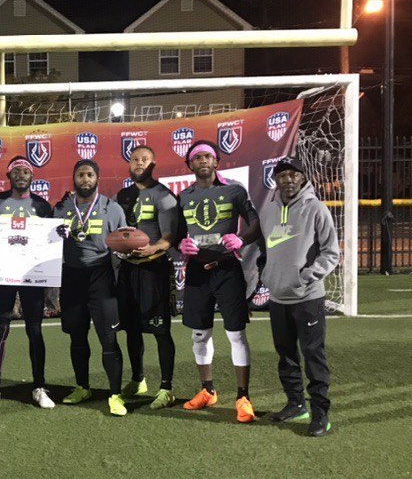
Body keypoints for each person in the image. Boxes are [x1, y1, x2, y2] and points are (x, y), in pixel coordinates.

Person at [176, 140, 260, 423]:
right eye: (197, 157)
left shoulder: (235, 190)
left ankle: (243, 397)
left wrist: (241, 239)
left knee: (236, 334)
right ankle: (207, 390)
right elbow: (176, 234)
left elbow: (255, 223)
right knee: (199, 335)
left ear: (216, 162)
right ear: (190, 164)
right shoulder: (183, 197)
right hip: (197, 272)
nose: (202, 160)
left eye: (207, 156)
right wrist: (180, 245)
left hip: (227, 270)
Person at [257, 157, 339, 437]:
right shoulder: (268, 211)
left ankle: (320, 414)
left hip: (308, 298)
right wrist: (268, 275)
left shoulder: (316, 209)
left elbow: (331, 252)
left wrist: (307, 276)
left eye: (294, 174)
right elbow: (265, 249)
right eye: (282, 175)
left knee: (313, 355)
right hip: (278, 297)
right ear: (276, 180)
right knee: (286, 355)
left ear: (303, 178)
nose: (288, 180)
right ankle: (295, 404)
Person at [0, 156, 55, 410]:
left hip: (33, 275)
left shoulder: (42, 205)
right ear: (8, 176)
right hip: (4, 274)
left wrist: (59, 234)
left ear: (32, 176)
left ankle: (39, 386)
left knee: (35, 330)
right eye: (16, 171)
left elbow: (49, 240)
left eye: (25, 171)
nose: (21, 175)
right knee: (1, 328)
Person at [53, 159, 128, 416]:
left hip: (101, 275)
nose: (85, 179)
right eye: (80, 175)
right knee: (77, 335)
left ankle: (115, 395)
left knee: (108, 337)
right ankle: (82, 387)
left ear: (97, 178)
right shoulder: (61, 208)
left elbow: (124, 242)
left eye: (89, 175)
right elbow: (47, 242)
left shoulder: (112, 208)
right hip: (72, 276)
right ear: (74, 179)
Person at [115, 145, 180, 410]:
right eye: (135, 159)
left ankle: (166, 388)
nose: (139, 163)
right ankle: (138, 379)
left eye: (144, 159)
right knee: (131, 328)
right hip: (128, 269)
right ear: (129, 164)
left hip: (154, 269)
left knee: (160, 330)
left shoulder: (163, 195)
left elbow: (170, 237)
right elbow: (118, 231)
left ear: (153, 164)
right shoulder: (123, 195)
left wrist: (152, 248)